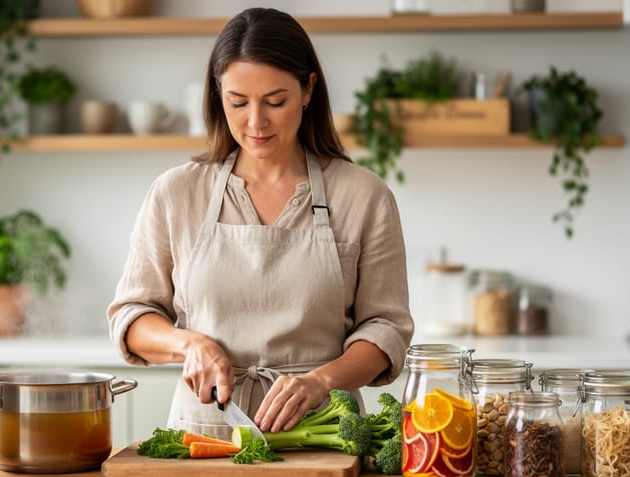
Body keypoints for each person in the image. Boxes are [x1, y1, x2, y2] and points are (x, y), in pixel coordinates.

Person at [107, 7, 413, 439]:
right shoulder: (176, 193)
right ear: (218, 95)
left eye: (275, 101)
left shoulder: (363, 196)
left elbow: (387, 329)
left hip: (324, 439)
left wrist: (321, 380)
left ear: (308, 89)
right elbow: (132, 317)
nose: (255, 122)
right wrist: (190, 343)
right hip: (205, 437)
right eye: (238, 102)